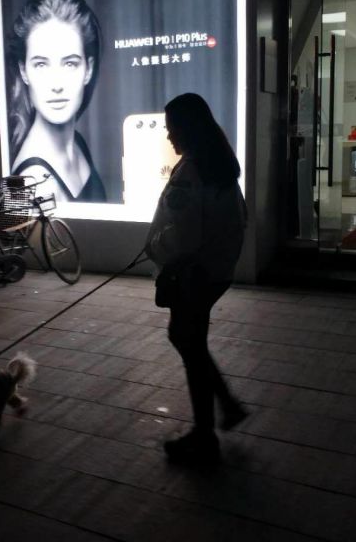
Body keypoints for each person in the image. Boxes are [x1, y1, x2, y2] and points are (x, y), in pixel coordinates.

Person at [146, 92, 247, 465]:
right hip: (215, 270)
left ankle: (205, 435)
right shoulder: (217, 163)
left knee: (188, 341)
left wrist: (155, 248)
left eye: (172, 128)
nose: (169, 135)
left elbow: (184, 236)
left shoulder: (191, 171)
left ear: (188, 129)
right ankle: (226, 406)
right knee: (189, 340)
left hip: (194, 273)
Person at [7, 0, 106, 202]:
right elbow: (9, 225)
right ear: (24, 71)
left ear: (88, 70)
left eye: (70, 63)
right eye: (41, 64)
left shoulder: (77, 143)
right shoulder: (24, 180)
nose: (56, 84)